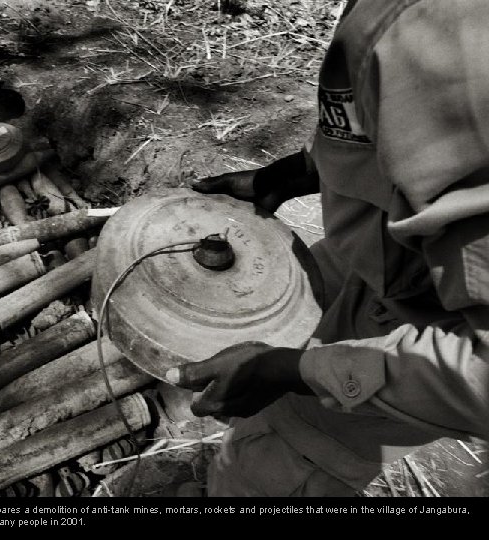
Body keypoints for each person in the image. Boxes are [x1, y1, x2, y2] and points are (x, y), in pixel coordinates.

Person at [167, 0, 489, 496]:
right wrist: (304, 169)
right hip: (384, 260)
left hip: (428, 330)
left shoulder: (452, 35)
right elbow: (394, 114)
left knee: (274, 467)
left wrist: (298, 370)